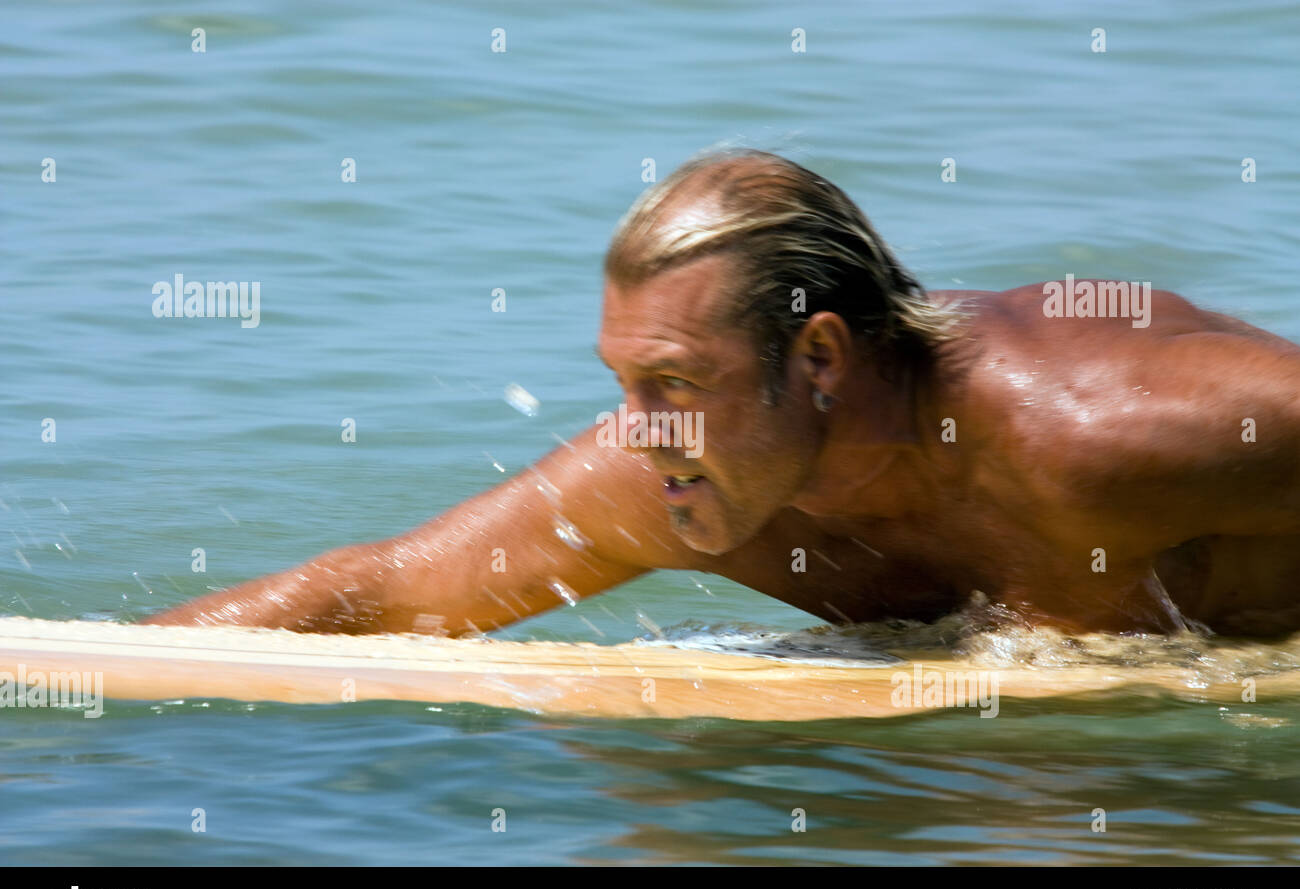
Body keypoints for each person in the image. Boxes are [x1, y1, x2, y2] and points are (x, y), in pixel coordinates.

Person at [142, 149, 1300, 638]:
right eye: (624, 383)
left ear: (821, 359)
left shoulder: (1100, 432)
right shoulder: (667, 470)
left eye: (674, 384)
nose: (636, 432)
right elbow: (392, 592)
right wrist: (70, 673)